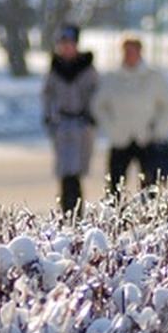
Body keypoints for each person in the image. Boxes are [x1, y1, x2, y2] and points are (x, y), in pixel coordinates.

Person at [90, 34, 168, 199]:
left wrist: (159, 130)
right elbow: (98, 106)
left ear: (140, 52)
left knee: (150, 185)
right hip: (120, 139)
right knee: (115, 187)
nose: (129, 55)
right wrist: (111, 128)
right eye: (126, 51)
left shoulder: (153, 77)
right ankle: (117, 214)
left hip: (146, 139)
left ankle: (148, 213)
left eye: (133, 51)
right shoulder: (112, 78)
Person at [41, 24, 99, 214]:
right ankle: (66, 210)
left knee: (76, 172)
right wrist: (50, 117)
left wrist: (92, 116)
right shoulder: (55, 70)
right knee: (65, 171)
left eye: (69, 44)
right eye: (62, 44)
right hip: (63, 124)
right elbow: (48, 95)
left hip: (82, 125)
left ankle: (76, 212)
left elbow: (96, 95)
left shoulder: (87, 69)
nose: (66, 48)